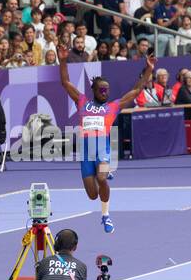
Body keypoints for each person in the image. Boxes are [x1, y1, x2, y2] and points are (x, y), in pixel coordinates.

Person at [57, 51, 155, 233]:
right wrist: (62, 61)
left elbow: (136, 91)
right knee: (93, 195)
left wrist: (148, 70)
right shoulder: (82, 102)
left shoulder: (113, 107)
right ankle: (102, 181)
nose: (105, 92)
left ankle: (106, 216)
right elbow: (65, 83)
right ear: (94, 90)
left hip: (103, 152)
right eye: (101, 89)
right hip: (86, 155)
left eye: (107, 90)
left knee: (102, 177)